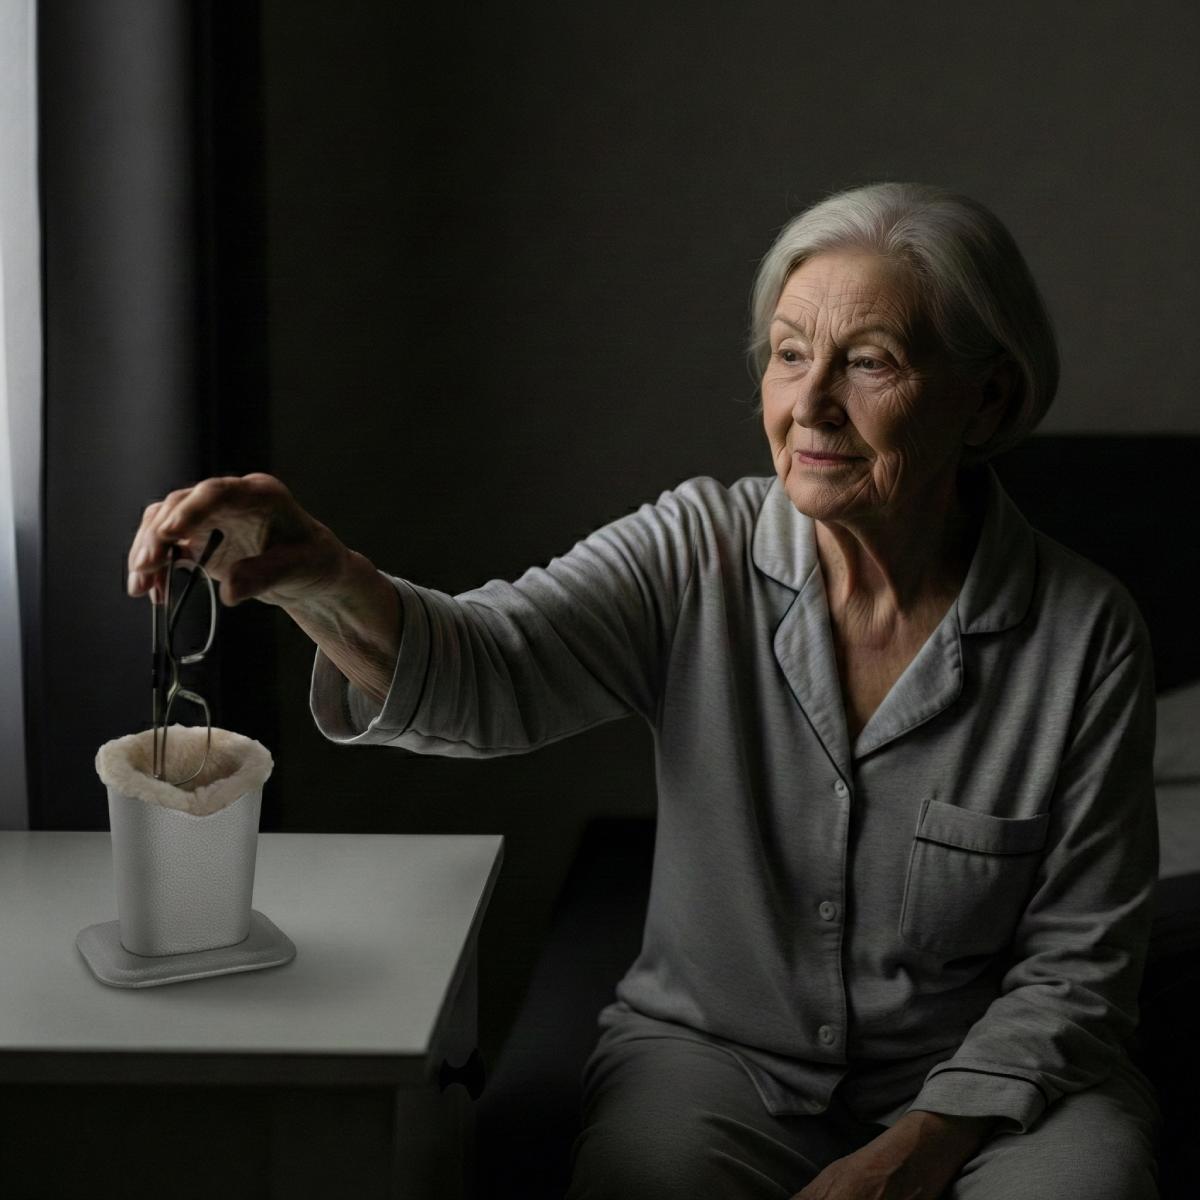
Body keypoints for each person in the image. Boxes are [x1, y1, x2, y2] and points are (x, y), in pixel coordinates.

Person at [126, 182, 1162, 1199]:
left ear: (987, 398)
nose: (809, 405)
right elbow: (491, 667)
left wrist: (922, 1146)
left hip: (985, 1085)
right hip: (717, 1060)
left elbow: (1079, 967)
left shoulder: (1085, 633)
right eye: (789, 354)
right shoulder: (692, 549)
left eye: (869, 362)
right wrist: (323, 578)